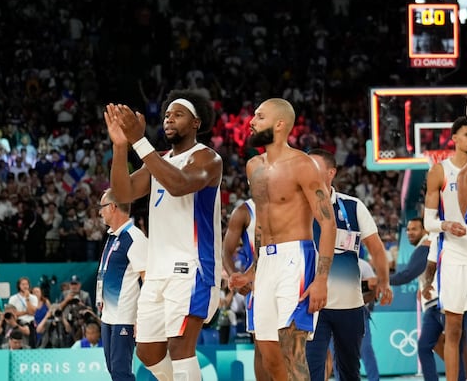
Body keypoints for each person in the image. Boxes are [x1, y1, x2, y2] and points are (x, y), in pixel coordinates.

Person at [104, 89, 223, 381]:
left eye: (178, 114)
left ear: (196, 123)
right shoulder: (157, 159)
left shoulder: (207, 158)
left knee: (181, 347)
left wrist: (139, 142)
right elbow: (122, 194)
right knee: (147, 351)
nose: (169, 119)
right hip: (159, 269)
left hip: (192, 265)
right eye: (167, 114)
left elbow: (179, 184)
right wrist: (121, 147)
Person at [235, 98, 336, 381]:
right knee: (270, 358)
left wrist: (321, 279)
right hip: (265, 261)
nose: (251, 122)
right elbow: (261, 224)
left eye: (259, 116)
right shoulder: (253, 166)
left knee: (292, 353)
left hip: (295, 259)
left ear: (279, 125)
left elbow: (327, 223)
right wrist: (253, 269)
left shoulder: (303, 164)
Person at [304, 148, 392, 381]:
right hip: (312, 306)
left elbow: (377, 249)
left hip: (350, 307)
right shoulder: (298, 208)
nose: (307, 173)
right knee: (312, 372)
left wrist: (384, 281)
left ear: (331, 172)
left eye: (314, 167)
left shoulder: (353, 207)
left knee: (350, 373)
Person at [423, 116, 467, 381]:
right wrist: (447, 225)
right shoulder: (440, 171)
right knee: (454, 329)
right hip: (455, 255)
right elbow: (428, 222)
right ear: (454, 138)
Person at [97, 188, 147, 381]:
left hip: (124, 317)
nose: (100, 212)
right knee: (113, 370)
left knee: (121, 372)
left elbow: (147, 279)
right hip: (108, 315)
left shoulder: (134, 238)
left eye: (102, 207)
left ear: (113, 207)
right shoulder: (113, 236)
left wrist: (140, 318)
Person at [388, 217, 444, 381]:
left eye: (414, 229)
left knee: (444, 346)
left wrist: (383, 280)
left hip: (439, 303)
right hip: (435, 303)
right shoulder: (430, 246)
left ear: (425, 231)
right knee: (429, 346)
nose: (409, 233)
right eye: (408, 230)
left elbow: (407, 274)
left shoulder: (424, 247)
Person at [222, 198, 271, 381]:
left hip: (290, 280)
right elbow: (226, 250)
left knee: (291, 345)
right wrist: (235, 275)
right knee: (262, 347)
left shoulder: (289, 201)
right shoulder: (244, 211)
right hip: (258, 286)